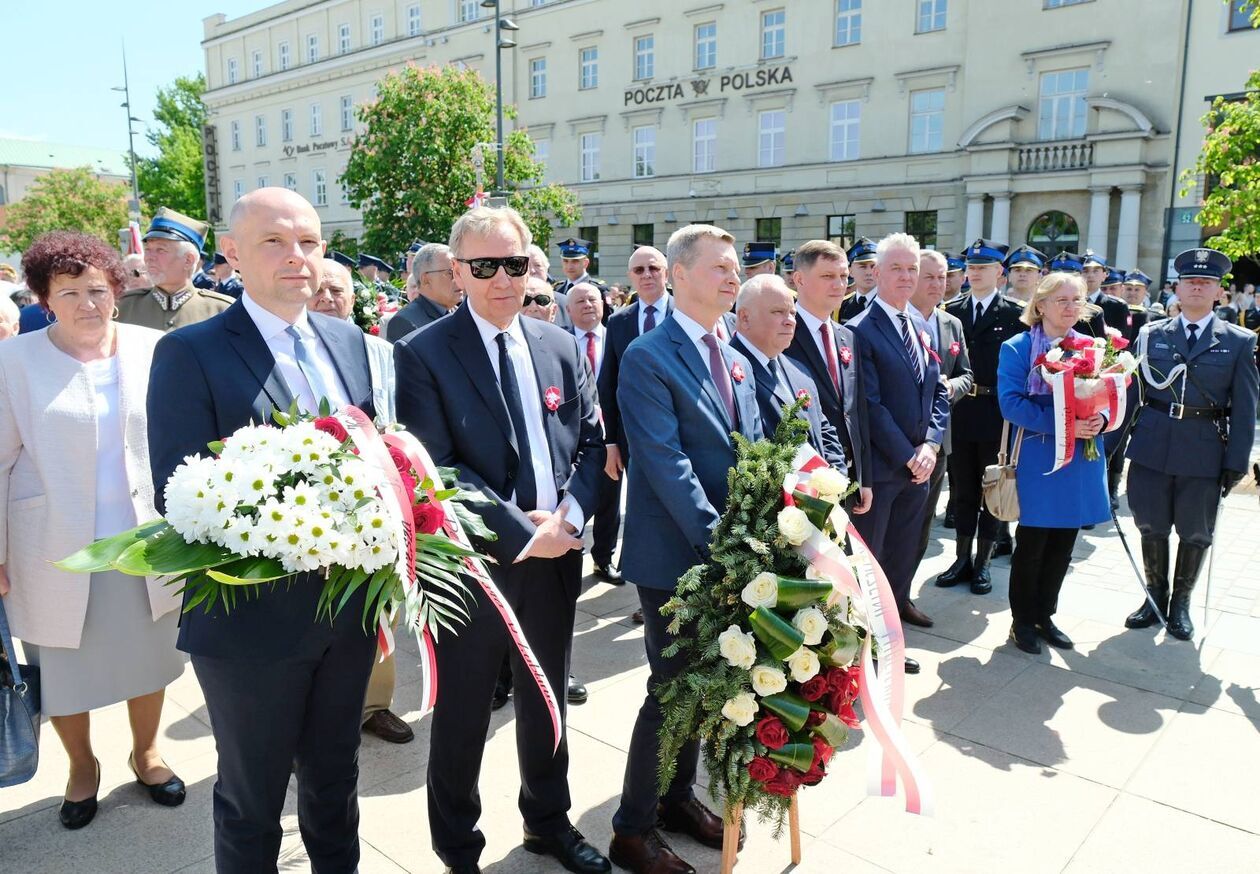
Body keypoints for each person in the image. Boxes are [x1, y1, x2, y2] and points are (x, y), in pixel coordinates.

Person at [148, 188, 380, 873]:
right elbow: (179, 489)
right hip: (250, 624)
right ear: (232, 253)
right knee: (252, 801)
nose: (297, 258)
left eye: (309, 242)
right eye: (275, 242)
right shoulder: (190, 352)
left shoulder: (349, 340)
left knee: (335, 783)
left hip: (348, 614)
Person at [394, 206, 607, 874]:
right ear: (457, 272)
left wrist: (571, 515)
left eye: (514, 264)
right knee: (464, 715)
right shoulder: (423, 353)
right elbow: (436, 466)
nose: (502, 280)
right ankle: (459, 849)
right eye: (484, 267)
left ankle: (547, 822)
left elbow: (593, 442)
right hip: (478, 562)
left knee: (547, 697)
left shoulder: (559, 343)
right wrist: (522, 532)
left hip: (557, 553)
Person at [0, 231, 185, 829]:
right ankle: (82, 767)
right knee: (63, 671)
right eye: (69, 291)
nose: (87, 303)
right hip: (51, 549)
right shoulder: (14, 362)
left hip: (146, 542)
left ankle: (147, 753)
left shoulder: (153, 347)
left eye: (98, 289)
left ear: (117, 291)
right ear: (44, 298)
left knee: (149, 658)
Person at [610, 224, 762, 874]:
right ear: (677, 274)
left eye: (736, 270)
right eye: (720, 269)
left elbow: (751, 449)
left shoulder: (732, 352)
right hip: (675, 557)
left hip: (729, 555)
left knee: (705, 686)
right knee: (671, 692)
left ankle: (676, 799)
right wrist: (724, 548)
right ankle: (632, 829)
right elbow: (668, 465)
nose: (734, 279)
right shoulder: (648, 355)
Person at [1123, 247, 1258, 641]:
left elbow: (1246, 408)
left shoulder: (1239, 341)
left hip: (1204, 449)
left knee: (1195, 530)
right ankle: (1154, 597)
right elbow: (1132, 394)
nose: (1197, 287)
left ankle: (1180, 604)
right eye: (1190, 281)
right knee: (1151, 523)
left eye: (1207, 282)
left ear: (1219, 292)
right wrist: (1108, 443)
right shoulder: (1150, 335)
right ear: (1176, 289)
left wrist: (1237, 460)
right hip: (1152, 443)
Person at [304, 258, 412, 745]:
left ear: (354, 298)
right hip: (303, 506)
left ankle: (375, 705)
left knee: (375, 607)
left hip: (370, 499)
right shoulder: (291, 352)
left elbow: (393, 418)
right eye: (319, 288)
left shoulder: (375, 351)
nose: (328, 298)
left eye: (338, 290)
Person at [997, 273, 1111, 653]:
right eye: (1061, 299)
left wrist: (1101, 420)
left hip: (1080, 459)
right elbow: (1011, 404)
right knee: (1032, 544)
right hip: (1039, 456)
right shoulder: (1017, 348)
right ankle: (1022, 620)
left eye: (1076, 300)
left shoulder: (1093, 348)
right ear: (1040, 304)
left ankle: (1045, 615)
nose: (1069, 307)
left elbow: (1109, 397)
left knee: (1064, 545)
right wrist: (1065, 425)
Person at [847, 233, 950, 644]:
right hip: (884, 468)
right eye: (897, 268)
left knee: (903, 555)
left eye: (913, 269)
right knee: (870, 561)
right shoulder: (860, 330)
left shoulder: (920, 325)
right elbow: (869, 404)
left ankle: (889, 638)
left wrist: (931, 444)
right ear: (876, 272)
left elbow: (939, 390)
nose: (907, 277)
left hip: (919, 466)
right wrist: (910, 455)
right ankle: (863, 644)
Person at [939, 239, 1026, 595]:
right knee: (962, 487)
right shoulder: (950, 310)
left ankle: (984, 562)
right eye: (971, 267)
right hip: (959, 412)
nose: (975, 273)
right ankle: (961, 557)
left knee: (992, 488)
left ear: (999, 274)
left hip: (996, 413)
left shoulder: (1015, 313)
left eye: (983, 268)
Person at [786, 240, 873, 508]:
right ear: (799, 279)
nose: (840, 284)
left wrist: (864, 476)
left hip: (846, 477)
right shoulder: (783, 332)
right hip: (803, 478)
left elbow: (857, 410)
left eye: (844, 276)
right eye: (827, 276)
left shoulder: (847, 336)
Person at [731, 274, 847, 472]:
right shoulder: (726, 372)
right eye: (778, 312)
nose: (790, 321)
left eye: (792, 313)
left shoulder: (799, 371)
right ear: (744, 317)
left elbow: (824, 431)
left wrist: (834, 481)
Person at [910, 250, 973, 574]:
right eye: (929, 276)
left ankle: (904, 597)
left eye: (942, 276)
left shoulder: (951, 324)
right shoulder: (897, 320)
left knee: (923, 528)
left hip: (938, 442)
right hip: (900, 445)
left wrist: (950, 388)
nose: (938, 284)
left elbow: (966, 374)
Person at [568, 283, 621, 582]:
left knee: (610, 500)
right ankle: (571, 551)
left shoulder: (616, 337)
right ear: (568, 309)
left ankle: (604, 558)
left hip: (610, 435)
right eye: (580, 300)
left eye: (593, 299)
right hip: (573, 437)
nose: (588, 305)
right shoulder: (559, 341)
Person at [116, 207, 235, 332]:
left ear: (188, 260)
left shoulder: (221, 311)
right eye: (148, 250)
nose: (149, 258)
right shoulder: (124, 306)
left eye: (160, 250)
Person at [386, 242, 460, 342]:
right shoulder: (405, 322)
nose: (459, 279)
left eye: (459, 272)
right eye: (450, 273)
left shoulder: (459, 313)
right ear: (426, 279)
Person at [553, 238, 607, 330]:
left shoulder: (598, 288)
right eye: (566, 261)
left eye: (575, 261)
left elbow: (607, 321)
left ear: (585, 263)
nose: (569, 266)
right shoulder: (558, 289)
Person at [1077, 250, 1128, 336]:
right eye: (1085, 271)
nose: (1090, 275)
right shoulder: (1072, 302)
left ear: (1105, 275)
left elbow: (1123, 339)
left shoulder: (1118, 306)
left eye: (1095, 271)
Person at [839, 237, 878, 321]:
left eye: (873, 266)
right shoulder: (841, 306)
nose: (869, 272)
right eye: (863, 267)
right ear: (850, 271)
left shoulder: (891, 303)